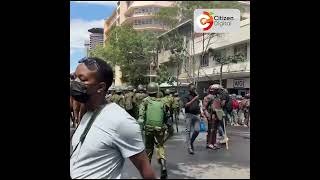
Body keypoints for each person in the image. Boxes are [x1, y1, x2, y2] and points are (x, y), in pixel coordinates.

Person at [70, 57, 156, 179]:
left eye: (82, 79)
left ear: (100, 87)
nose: (75, 83)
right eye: (74, 77)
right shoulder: (87, 112)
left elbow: (146, 172)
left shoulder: (120, 121)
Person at [138, 82, 169, 179]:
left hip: (149, 128)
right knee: (160, 146)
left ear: (148, 91)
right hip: (160, 128)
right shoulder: (162, 102)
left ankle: (148, 169)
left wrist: (140, 128)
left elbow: (141, 116)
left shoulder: (145, 101)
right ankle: (163, 165)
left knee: (149, 148)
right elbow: (165, 116)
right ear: (157, 91)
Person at [202, 84, 224, 150]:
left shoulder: (217, 97)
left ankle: (214, 142)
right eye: (218, 90)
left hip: (217, 115)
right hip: (212, 115)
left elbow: (219, 106)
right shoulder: (208, 97)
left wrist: (221, 113)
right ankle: (209, 143)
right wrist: (207, 115)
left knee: (215, 130)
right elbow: (204, 107)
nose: (219, 91)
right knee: (211, 130)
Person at [182, 83, 201, 154]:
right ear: (189, 89)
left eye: (194, 88)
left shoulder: (196, 96)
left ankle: (191, 141)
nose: (194, 90)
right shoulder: (186, 96)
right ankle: (189, 147)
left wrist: (200, 112)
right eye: (192, 89)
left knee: (197, 130)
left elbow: (198, 104)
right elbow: (186, 105)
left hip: (196, 114)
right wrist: (194, 99)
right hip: (189, 115)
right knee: (188, 131)